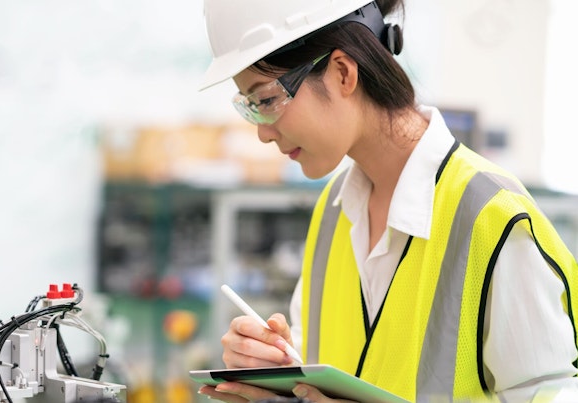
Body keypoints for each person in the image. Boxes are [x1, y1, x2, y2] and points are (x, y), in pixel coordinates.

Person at [196, 0, 578, 402]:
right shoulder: (333, 212)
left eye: (268, 100)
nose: (263, 133)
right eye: (250, 107)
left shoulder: (491, 215)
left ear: (343, 72)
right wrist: (278, 381)